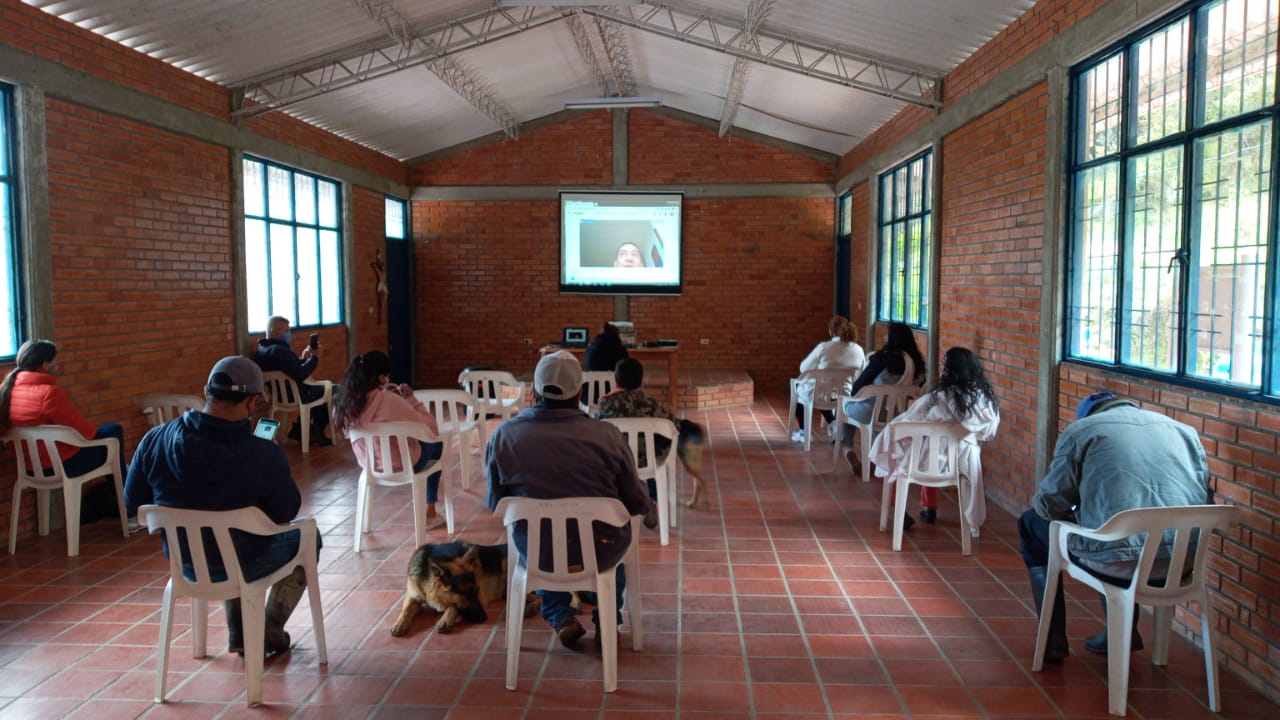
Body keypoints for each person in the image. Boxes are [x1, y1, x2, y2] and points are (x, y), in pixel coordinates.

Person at [125, 356, 321, 657]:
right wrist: (273, 463)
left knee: (228, 538)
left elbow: (133, 501)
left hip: (185, 564)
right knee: (307, 537)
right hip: (244, 559)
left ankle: (242, 634)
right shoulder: (262, 454)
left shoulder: (155, 439)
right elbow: (287, 511)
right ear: (252, 402)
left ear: (207, 391)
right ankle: (266, 630)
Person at [1018, 390, 1211, 665]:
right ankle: (1122, 634)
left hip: (1117, 563)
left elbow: (1050, 505)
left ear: (1088, 415)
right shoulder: (1185, 432)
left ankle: (1052, 641)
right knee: (1117, 530)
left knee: (1032, 525)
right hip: (1182, 565)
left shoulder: (1081, 431)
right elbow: (1206, 500)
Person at [486, 350, 652, 649]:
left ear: (534, 391)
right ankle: (607, 621)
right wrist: (646, 503)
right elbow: (635, 500)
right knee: (613, 544)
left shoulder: (504, 435)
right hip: (600, 551)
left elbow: (495, 500)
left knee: (544, 533)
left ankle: (560, 616)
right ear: (580, 392)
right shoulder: (607, 435)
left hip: (536, 552)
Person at [868, 347, 999, 530]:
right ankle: (929, 508)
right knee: (933, 448)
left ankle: (898, 507)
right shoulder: (985, 401)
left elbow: (903, 425)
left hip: (925, 462)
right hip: (963, 464)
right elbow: (989, 432)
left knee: (902, 450)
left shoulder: (937, 398)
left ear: (949, 370)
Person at [0, 339, 126, 525]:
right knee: (113, 431)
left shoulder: (6, 390)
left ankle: (123, 496)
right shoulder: (48, 393)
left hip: (28, 469)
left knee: (108, 434)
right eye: (54, 364)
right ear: (44, 366)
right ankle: (125, 500)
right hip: (60, 466)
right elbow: (85, 433)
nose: (55, 368)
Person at [333, 350, 445, 526]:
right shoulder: (390, 400)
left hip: (369, 465)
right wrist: (410, 399)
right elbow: (431, 428)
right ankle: (429, 512)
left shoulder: (343, 403)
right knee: (437, 443)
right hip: (404, 465)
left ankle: (366, 526)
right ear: (382, 378)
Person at [596, 357, 682, 528]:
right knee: (654, 452)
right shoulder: (649, 403)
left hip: (616, 459)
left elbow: (597, 425)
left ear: (616, 380)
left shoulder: (606, 403)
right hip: (645, 461)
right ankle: (651, 499)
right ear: (641, 381)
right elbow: (674, 424)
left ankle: (617, 502)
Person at [840, 321, 927, 462]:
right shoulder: (917, 363)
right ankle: (881, 453)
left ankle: (847, 447)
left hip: (870, 412)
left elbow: (859, 387)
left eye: (887, 334)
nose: (884, 336)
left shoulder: (882, 359)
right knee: (879, 421)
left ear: (892, 338)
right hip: (898, 413)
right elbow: (919, 384)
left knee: (845, 406)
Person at [253, 315, 332, 446]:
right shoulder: (280, 351)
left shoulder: (262, 350)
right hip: (297, 395)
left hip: (278, 396)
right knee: (329, 388)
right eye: (285, 331)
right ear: (273, 330)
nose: (288, 334)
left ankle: (303, 429)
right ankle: (318, 432)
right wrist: (315, 358)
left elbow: (289, 368)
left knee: (320, 389)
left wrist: (303, 358)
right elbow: (300, 374)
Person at [792, 316, 865, 443]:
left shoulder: (824, 347)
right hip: (844, 394)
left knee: (799, 388)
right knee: (826, 393)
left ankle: (804, 432)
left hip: (820, 394)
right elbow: (861, 371)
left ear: (831, 332)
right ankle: (833, 423)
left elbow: (803, 368)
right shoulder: (858, 350)